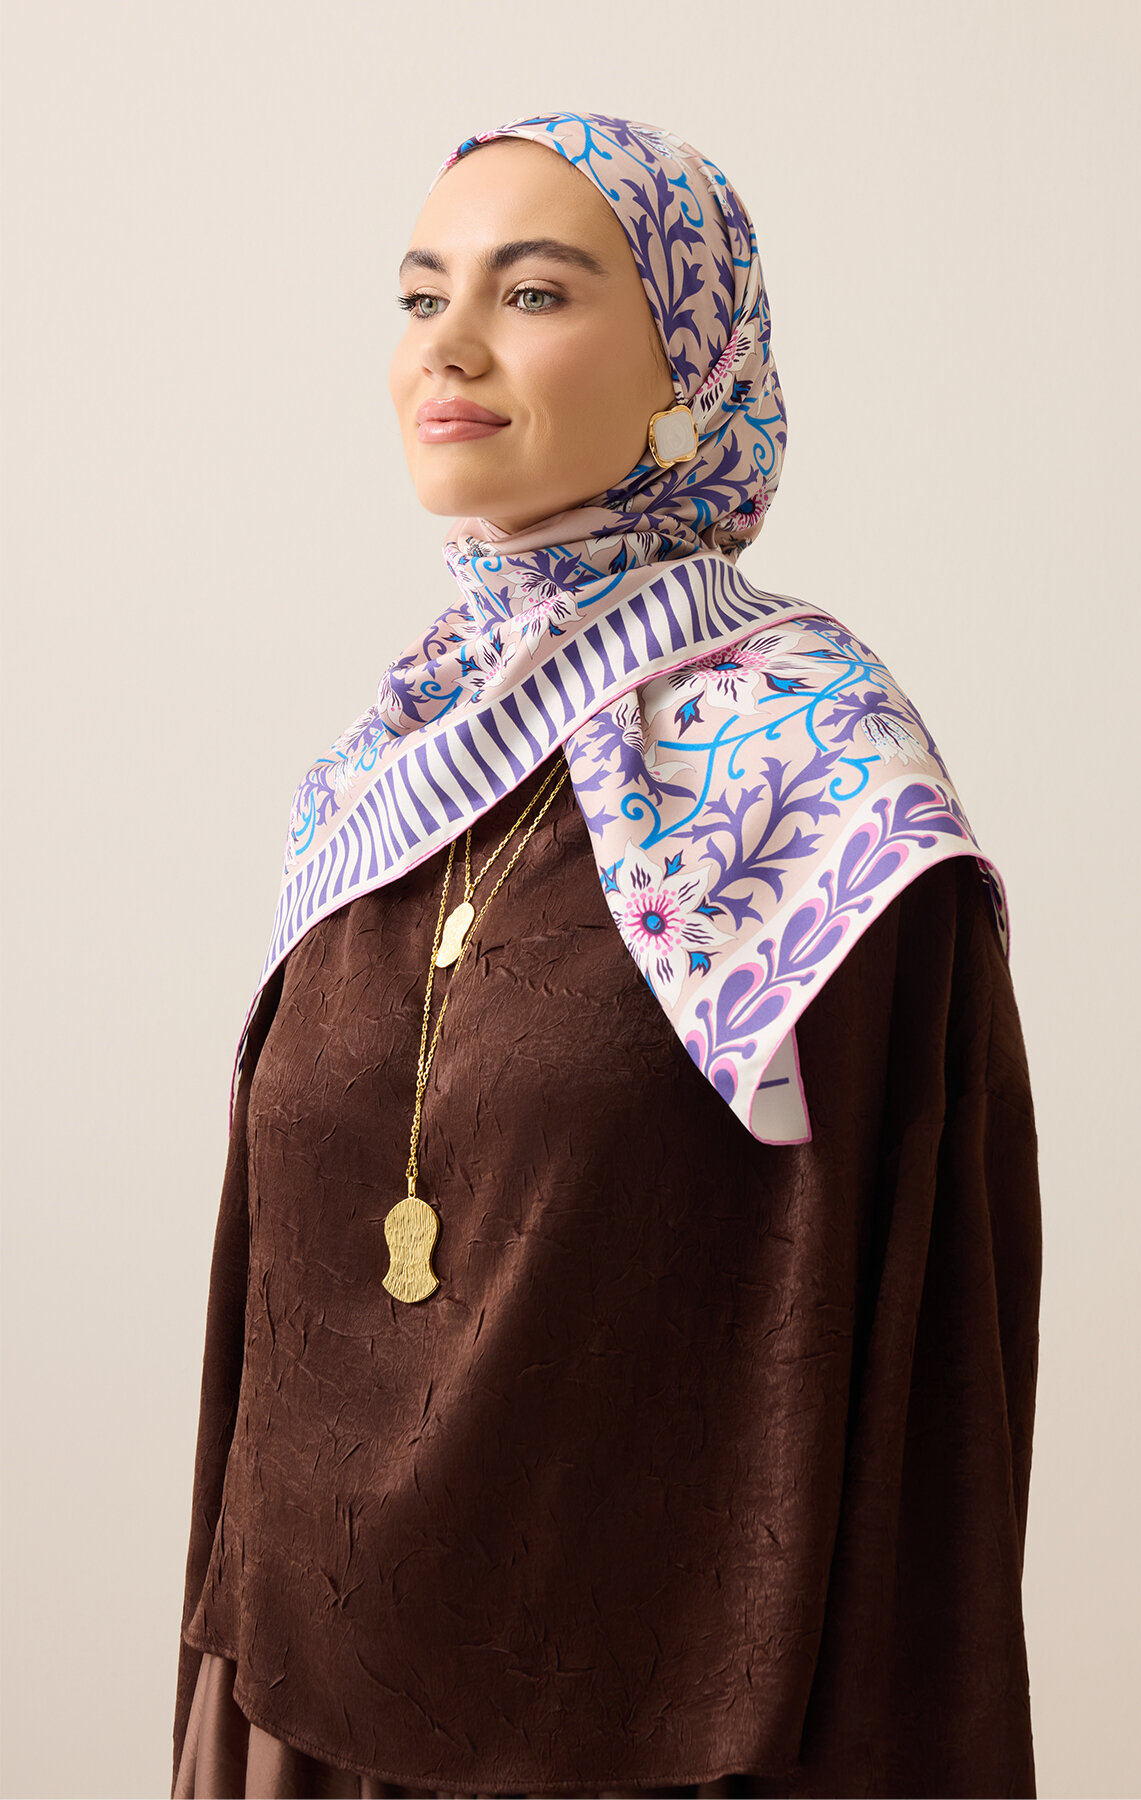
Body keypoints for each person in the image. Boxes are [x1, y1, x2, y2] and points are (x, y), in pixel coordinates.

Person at [171, 112, 1042, 1800]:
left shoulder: (827, 794)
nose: (450, 345)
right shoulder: (384, 779)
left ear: (687, 374)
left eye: (534, 292)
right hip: (306, 1710)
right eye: (420, 294)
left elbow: (921, 1393)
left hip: (655, 1740)